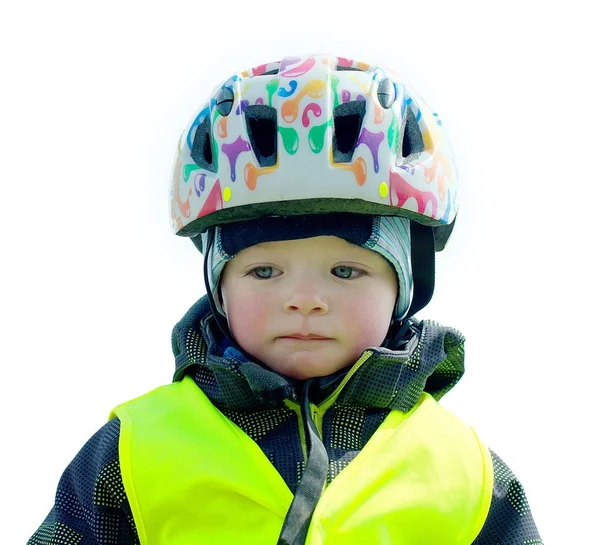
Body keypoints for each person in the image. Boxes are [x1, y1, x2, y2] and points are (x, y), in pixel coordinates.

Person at [29, 54, 543, 545]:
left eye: (346, 270)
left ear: (406, 287)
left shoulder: (464, 471)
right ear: (220, 287)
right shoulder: (133, 451)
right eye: (264, 270)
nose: (304, 300)